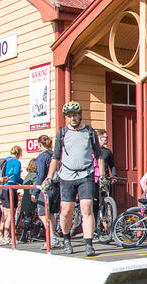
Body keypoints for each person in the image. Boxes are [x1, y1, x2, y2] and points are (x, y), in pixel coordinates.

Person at [43, 101, 104, 256]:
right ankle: (66, 239)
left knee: (87, 208)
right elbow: (55, 157)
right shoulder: (62, 133)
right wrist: (49, 178)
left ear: (80, 115)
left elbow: (99, 155)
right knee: (66, 211)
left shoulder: (90, 132)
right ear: (66, 118)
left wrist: (102, 176)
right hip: (67, 175)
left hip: (86, 174)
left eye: (75, 115)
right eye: (69, 116)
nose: (72, 118)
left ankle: (89, 244)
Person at [33, 135, 60, 250]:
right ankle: (54, 237)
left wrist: (35, 191)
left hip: (46, 187)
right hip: (56, 186)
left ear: (39, 144)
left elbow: (41, 174)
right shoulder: (54, 155)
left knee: (43, 214)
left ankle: (51, 237)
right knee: (52, 214)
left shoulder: (41, 157)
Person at [0, 146, 23, 245]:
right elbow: (16, 175)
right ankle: (6, 235)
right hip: (10, 188)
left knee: (4, 212)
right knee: (11, 213)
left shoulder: (6, 160)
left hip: (2, 188)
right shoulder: (16, 162)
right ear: (19, 153)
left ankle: (0, 234)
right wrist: (22, 182)